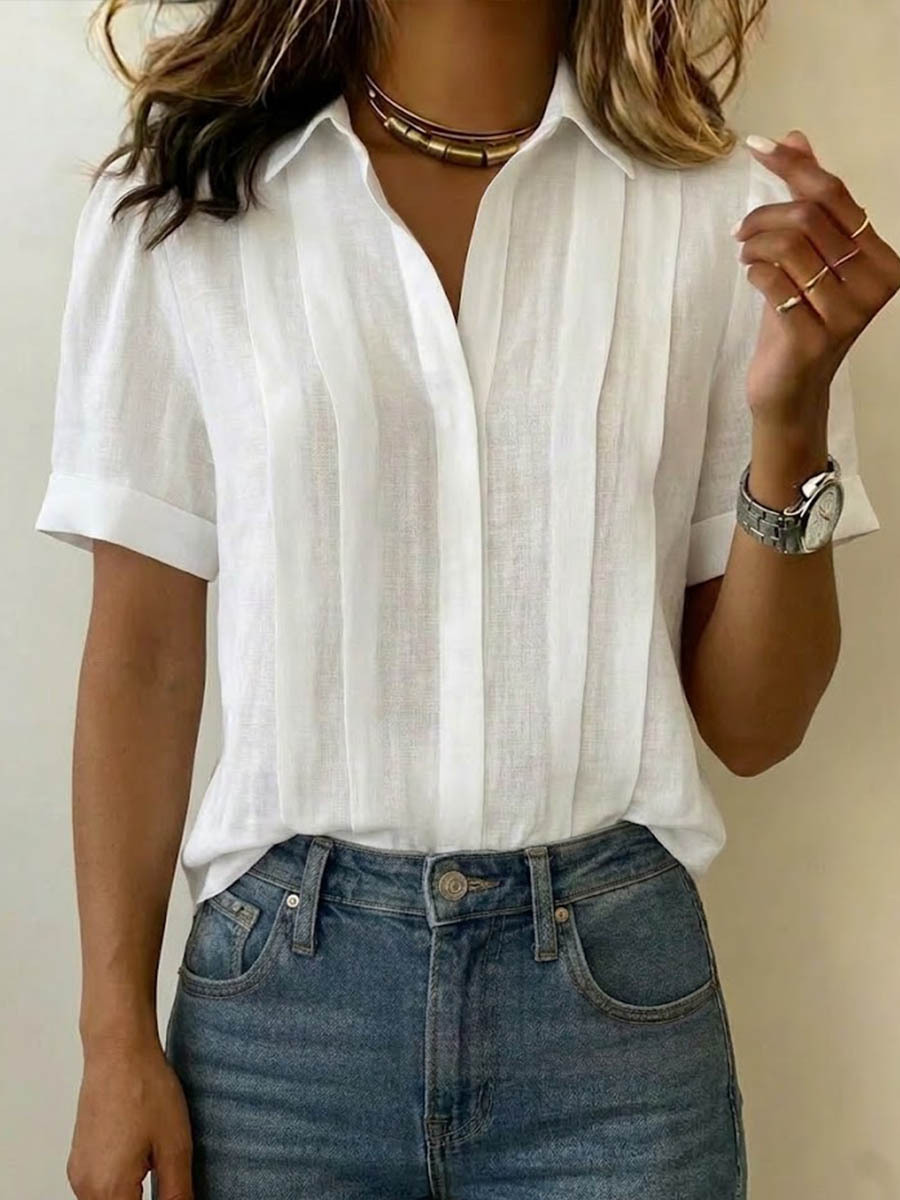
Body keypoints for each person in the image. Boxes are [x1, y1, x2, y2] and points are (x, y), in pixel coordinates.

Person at [34, 1, 896, 1197]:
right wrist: (111, 1036)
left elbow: (756, 727)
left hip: (613, 1028)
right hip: (281, 1028)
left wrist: (791, 422)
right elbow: (143, 658)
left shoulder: (724, 218)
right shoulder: (186, 197)